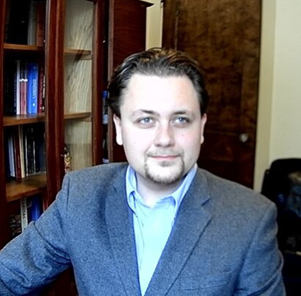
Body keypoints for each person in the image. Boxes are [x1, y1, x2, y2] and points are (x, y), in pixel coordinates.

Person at [0, 48, 285, 295]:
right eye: (146, 119)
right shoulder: (80, 196)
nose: (164, 138)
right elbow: (8, 277)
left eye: (181, 119)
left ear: (201, 127)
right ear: (120, 128)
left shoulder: (251, 219)